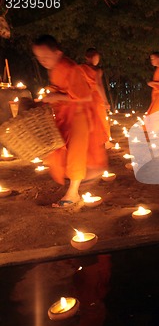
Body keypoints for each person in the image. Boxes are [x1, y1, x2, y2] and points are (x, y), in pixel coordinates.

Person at [32, 35, 107, 208]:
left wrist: (56, 96)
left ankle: (73, 193)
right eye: (39, 58)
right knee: (62, 149)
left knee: (76, 152)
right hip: (65, 114)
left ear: (58, 53)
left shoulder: (69, 68)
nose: (42, 61)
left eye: (45, 57)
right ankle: (81, 179)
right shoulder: (57, 67)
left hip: (78, 116)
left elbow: (85, 96)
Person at [80, 48, 112, 149]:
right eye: (97, 57)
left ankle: (89, 141)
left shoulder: (80, 68)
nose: (98, 60)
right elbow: (98, 85)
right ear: (92, 57)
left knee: (88, 119)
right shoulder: (97, 70)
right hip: (95, 97)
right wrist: (105, 101)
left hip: (84, 97)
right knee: (101, 118)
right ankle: (106, 141)